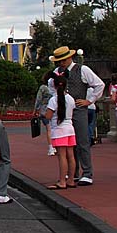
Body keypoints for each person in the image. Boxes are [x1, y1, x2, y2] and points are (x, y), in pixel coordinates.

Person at [48, 46, 104, 186]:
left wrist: (89, 101)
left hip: (78, 108)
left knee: (82, 140)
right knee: (68, 143)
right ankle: (73, 173)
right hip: (65, 110)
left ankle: (86, 173)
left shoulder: (82, 70)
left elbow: (99, 85)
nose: (61, 63)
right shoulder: (57, 72)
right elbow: (51, 88)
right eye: (59, 61)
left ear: (69, 57)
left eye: (63, 60)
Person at [44, 73, 77, 189]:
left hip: (59, 130)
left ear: (54, 85)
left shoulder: (54, 100)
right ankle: (71, 180)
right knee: (71, 156)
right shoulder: (71, 99)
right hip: (70, 128)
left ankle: (62, 181)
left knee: (62, 156)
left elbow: (48, 116)